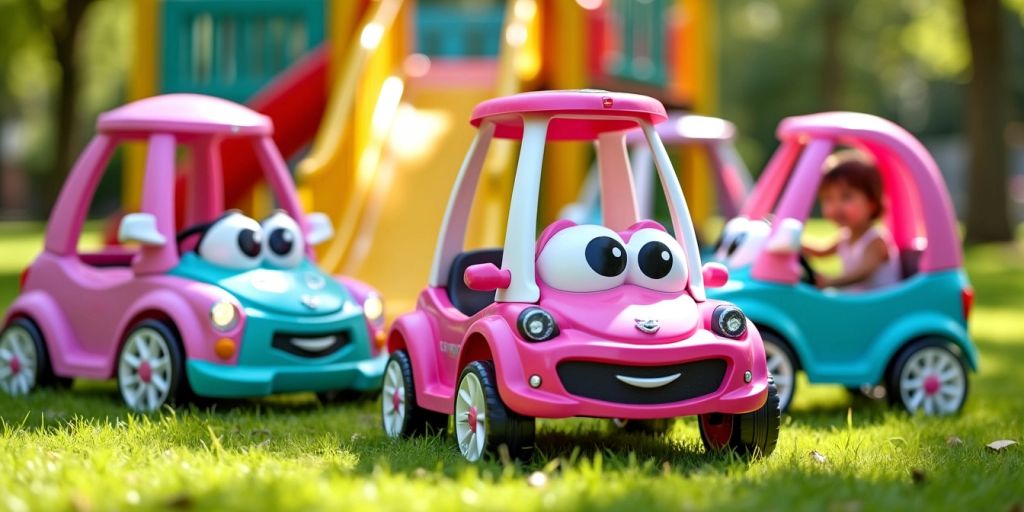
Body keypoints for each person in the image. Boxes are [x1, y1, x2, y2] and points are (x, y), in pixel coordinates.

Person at [803, 151, 901, 291]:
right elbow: (820, 251)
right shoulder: (845, 236)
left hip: (879, 308)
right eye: (828, 198)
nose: (836, 206)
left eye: (846, 197)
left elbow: (862, 273)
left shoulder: (876, 240)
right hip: (857, 305)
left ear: (871, 203)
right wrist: (798, 244)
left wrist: (828, 281)